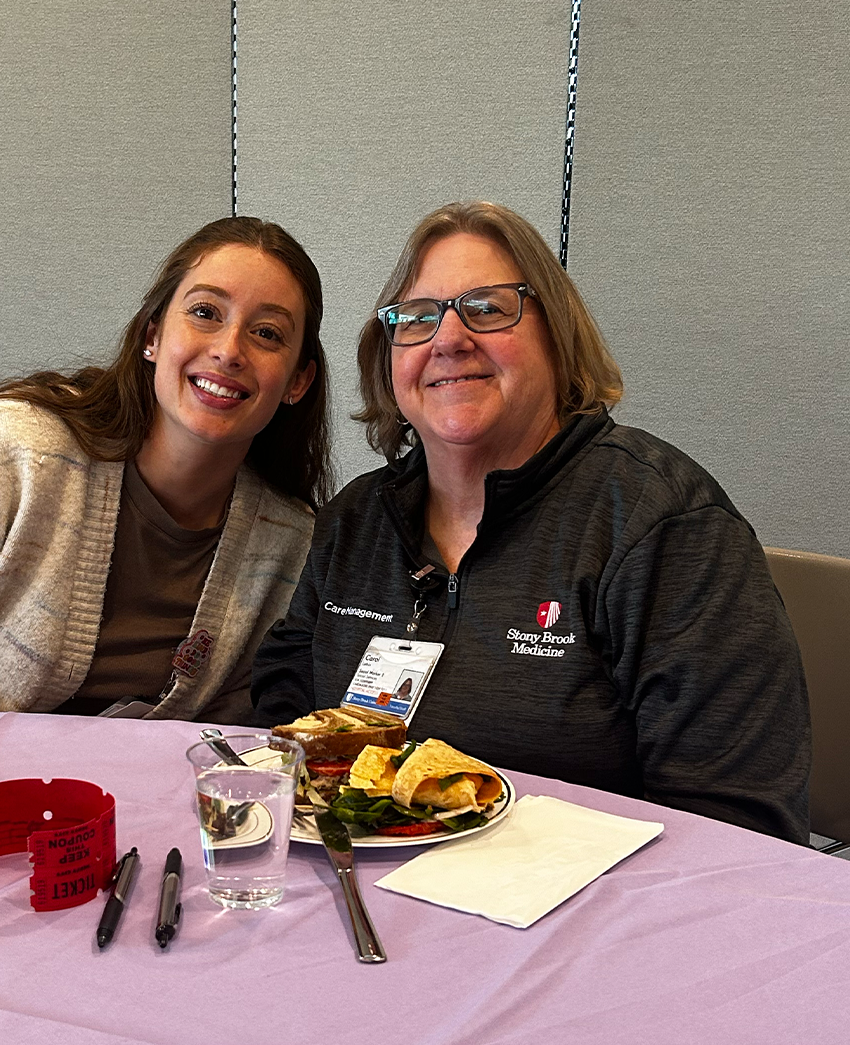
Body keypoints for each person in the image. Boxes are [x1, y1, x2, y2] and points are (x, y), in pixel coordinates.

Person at [252, 202, 810, 842]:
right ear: (388, 357)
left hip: (580, 913)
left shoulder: (662, 524)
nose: (449, 338)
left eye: (489, 309)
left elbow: (737, 825)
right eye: (417, 317)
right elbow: (286, 707)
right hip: (360, 891)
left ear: (558, 335)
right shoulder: (357, 520)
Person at [0, 217, 332, 722]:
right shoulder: (6, 453)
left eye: (267, 333)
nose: (229, 351)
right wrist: (4, 774)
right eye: (205, 312)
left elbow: (241, 729)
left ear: (297, 380)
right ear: (152, 336)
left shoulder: (292, 541)